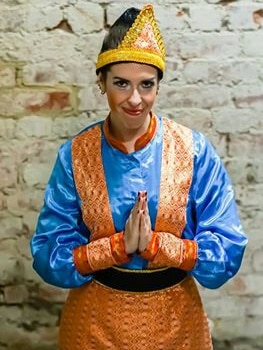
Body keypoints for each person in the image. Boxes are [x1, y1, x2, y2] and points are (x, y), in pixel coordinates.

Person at [30, 4, 248, 350]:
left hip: (178, 327)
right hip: (92, 328)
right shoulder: (76, 155)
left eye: (146, 85)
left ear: (159, 86)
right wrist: (118, 247)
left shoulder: (193, 151)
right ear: (101, 82)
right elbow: (48, 254)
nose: (135, 99)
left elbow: (227, 251)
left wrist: (158, 246)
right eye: (121, 83)